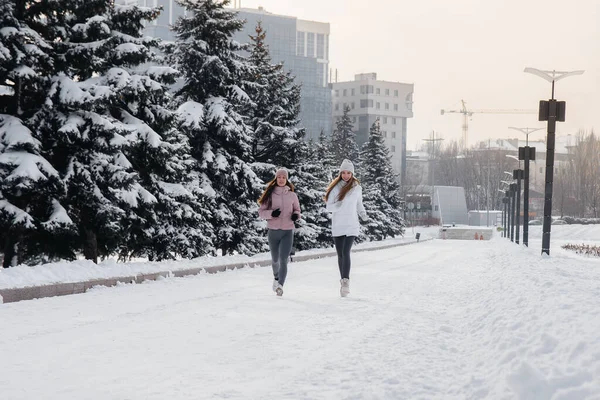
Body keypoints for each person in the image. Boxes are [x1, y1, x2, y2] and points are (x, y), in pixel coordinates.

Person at [324, 159, 367, 297]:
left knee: (346, 251)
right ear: (340, 173)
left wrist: (363, 214)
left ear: (352, 173)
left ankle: (346, 282)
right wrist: (337, 206)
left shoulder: (357, 188)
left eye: (349, 173)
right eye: (344, 173)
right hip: (338, 224)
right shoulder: (335, 188)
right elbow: (329, 206)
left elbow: (359, 204)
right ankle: (342, 280)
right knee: (340, 254)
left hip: (351, 224)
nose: (346, 175)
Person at [258, 168, 301, 296]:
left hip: (288, 231)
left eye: (284, 177)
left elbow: (297, 210)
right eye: (279, 177)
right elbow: (261, 212)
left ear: (286, 179)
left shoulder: (292, 195)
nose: (281, 179)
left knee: (283, 259)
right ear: (276, 179)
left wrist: (295, 216)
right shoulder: (270, 195)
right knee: (275, 259)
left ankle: (280, 285)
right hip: (273, 231)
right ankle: (276, 278)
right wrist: (271, 214)